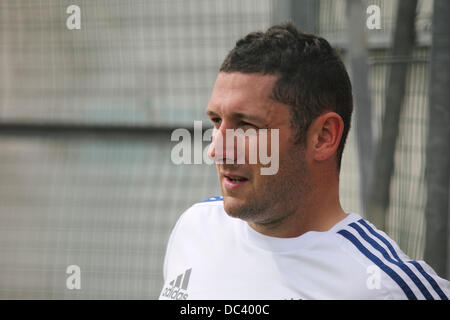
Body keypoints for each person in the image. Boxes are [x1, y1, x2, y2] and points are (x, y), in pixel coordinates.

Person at [159, 23, 449, 300]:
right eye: (216, 121)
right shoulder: (194, 227)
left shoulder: (381, 285)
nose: (217, 150)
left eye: (246, 125)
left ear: (323, 137)